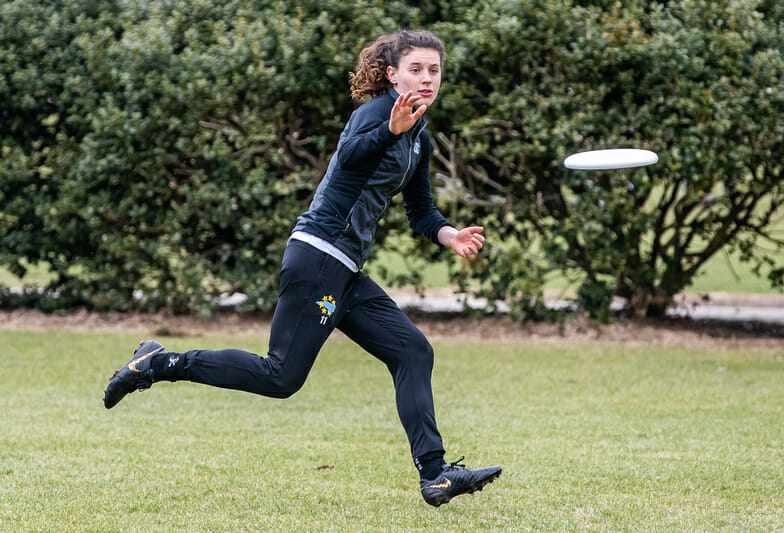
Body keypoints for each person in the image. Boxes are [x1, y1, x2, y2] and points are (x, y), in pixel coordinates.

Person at [103, 29, 501, 507]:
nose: (427, 78)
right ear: (392, 74)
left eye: (434, 70)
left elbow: (420, 210)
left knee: (413, 352)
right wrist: (389, 131)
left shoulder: (419, 136)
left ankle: (435, 475)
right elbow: (350, 155)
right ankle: (160, 363)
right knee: (281, 376)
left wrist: (450, 234)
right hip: (318, 256)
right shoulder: (376, 114)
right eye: (415, 69)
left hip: (346, 270)